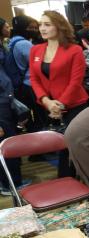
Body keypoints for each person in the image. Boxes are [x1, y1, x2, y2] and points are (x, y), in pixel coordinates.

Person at [30, 10, 88, 177]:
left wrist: (60, 104)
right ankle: (68, 182)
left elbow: (76, 81)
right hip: (49, 105)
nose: (42, 28)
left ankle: (71, 181)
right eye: (40, 24)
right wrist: (47, 101)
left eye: (47, 24)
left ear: (60, 26)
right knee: (60, 145)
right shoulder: (36, 50)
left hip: (75, 105)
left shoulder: (74, 50)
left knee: (72, 146)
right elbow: (34, 78)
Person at [9, 15, 47, 133]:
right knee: (41, 115)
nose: (35, 30)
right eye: (31, 27)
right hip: (30, 83)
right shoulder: (24, 44)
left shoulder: (13, 41)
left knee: (33, 114)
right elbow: (39, 62)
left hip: (24, 84)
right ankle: (44, 141)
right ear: (23, 27)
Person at [0, 18, 23, 196]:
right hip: (1, 104)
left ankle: (13, 181)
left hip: (7, 99)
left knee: (11, 139)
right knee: (5, 142)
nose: (9, 27)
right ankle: (8, 184)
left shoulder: (4, 45)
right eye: (6, 25)